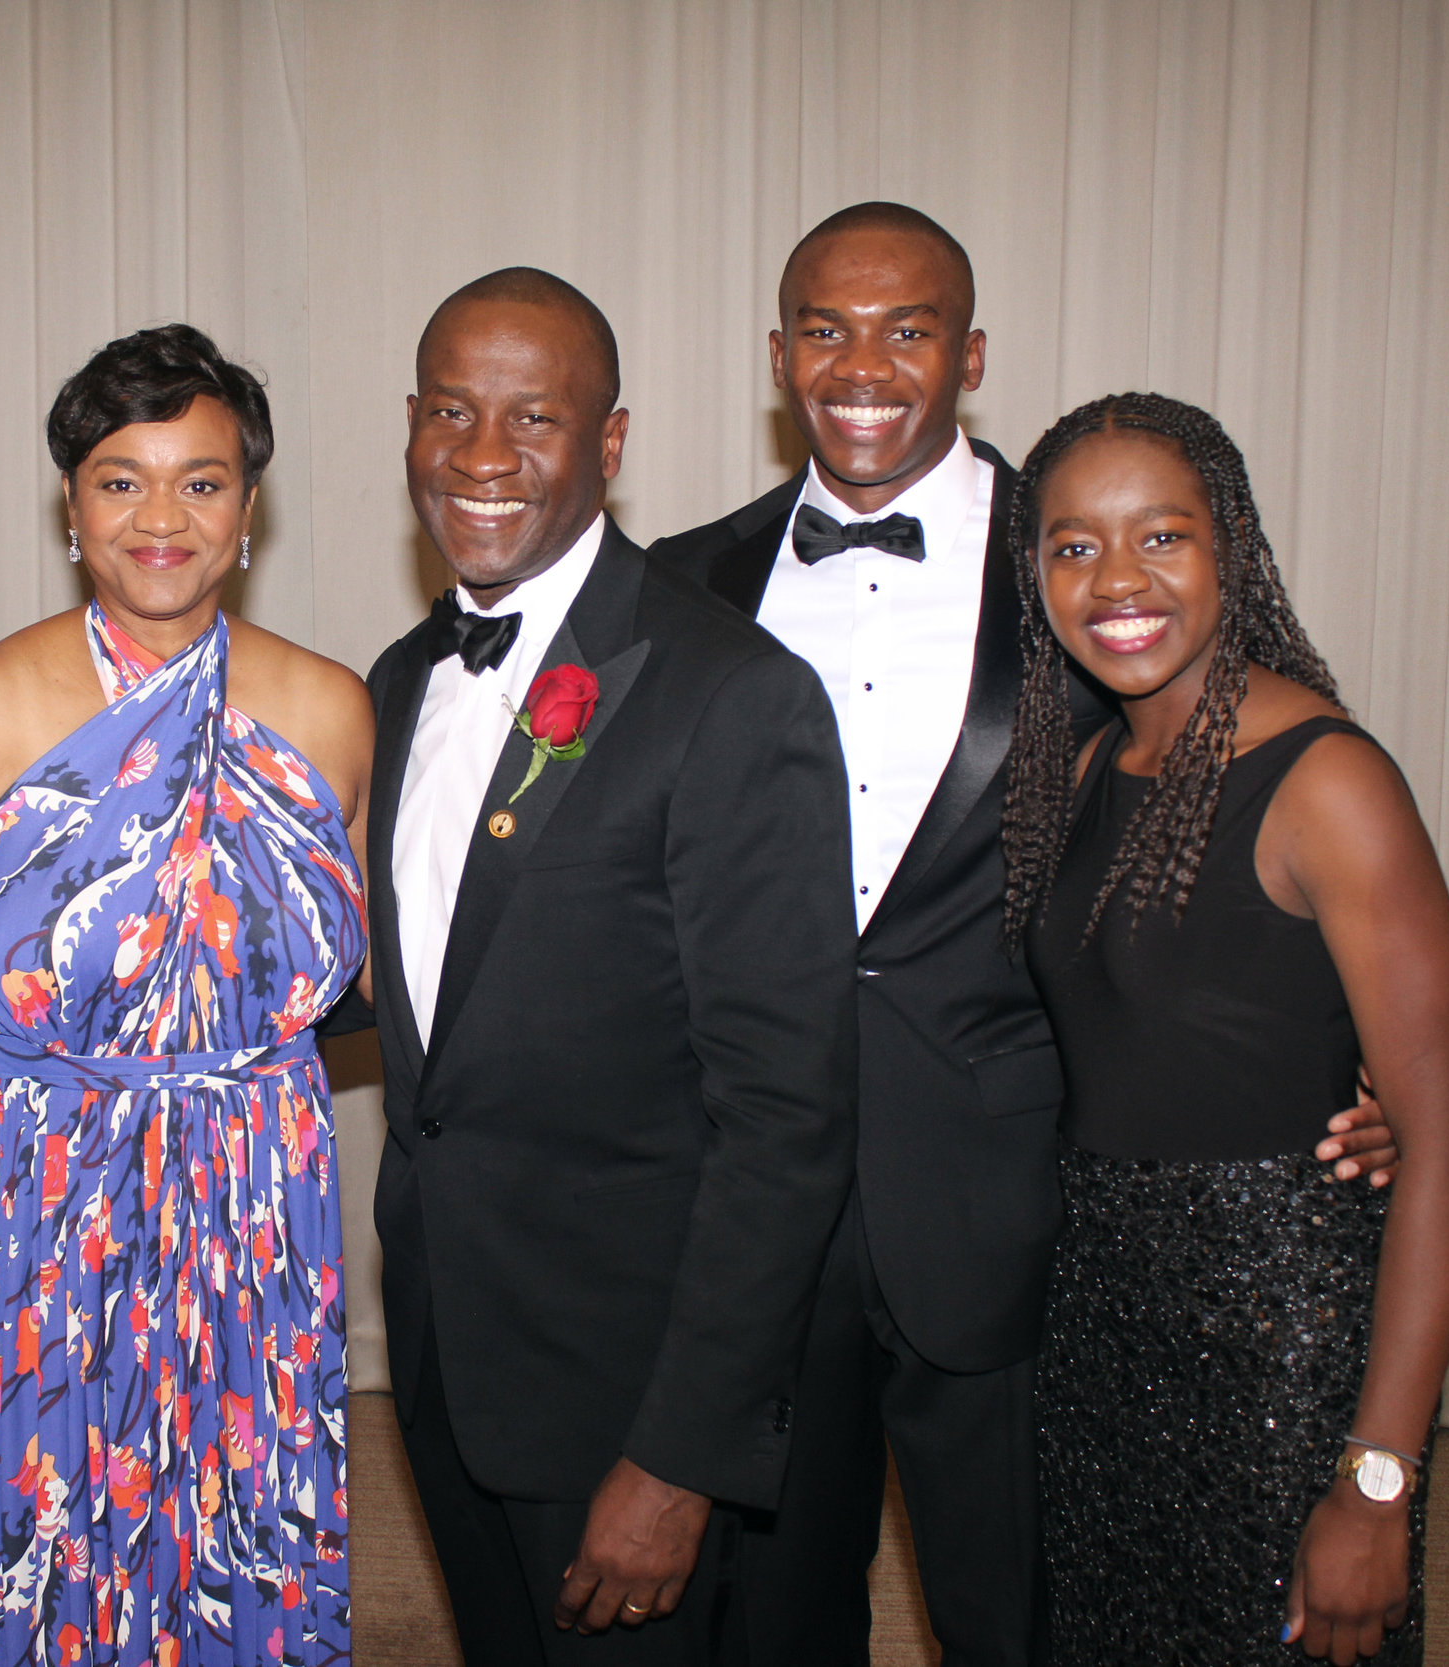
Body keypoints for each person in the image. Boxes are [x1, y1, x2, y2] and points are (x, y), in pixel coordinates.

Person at [648, 203, 1400, 1665]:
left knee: (1019, 1608)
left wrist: (1358, 1064)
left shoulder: (1077, 558)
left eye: (909, 328)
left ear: (971, 353)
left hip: (1005, 1192)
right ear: (779, 355)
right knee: (770, 1607)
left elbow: (1217, 808)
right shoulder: (689, 578)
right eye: (826, 327)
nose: (863, 363)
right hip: (750, 1193)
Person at [364, 267, 857, 1663]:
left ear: (612, 444)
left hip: (626, 1394)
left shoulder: (731, 693)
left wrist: (682, 1455)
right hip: (456, 1353)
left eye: (535, 417)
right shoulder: (403, 678)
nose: (481, 454)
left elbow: (789, 1119)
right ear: (409, 423)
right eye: (452, 410)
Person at [0, 323, 374, 1666]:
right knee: (39, 1519)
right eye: (121, 478)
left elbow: (387, 963)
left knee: (240, 1511)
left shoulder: (330, 710)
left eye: (202, 480)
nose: (163, 516)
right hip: (38, 1182)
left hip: (254, 1181)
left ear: (249, 507)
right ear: (71, 501)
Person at [1005, 392, 1449, 1664]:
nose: (1117, 578)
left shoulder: (1326, 782)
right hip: (1098, 1321)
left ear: (1230, 547)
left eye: (1160, 535)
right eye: (1072, 545)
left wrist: (1378, 1479)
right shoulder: (1084, 763)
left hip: (1275, 1339)